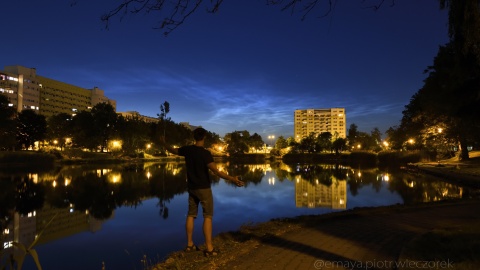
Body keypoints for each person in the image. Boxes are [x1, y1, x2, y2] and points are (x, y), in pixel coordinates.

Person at [159, 127, 244, 257]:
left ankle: (189, 245)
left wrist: (164, 143)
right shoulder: (205, 154)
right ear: (204, 137)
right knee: (207, 216)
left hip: (192, 188)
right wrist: (232, 178)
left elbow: (173, 150)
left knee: (191, 215)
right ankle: (209, 248)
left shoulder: (187, 150)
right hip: (204, 188)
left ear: (194, 137)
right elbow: (217, 172)